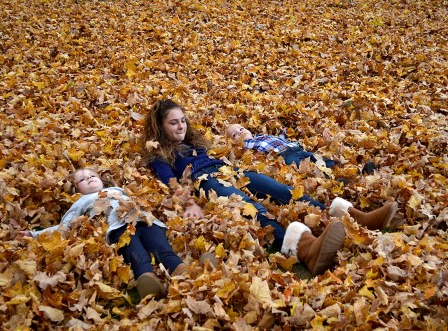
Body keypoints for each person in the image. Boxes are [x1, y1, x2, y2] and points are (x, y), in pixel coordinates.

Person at [143, 99, 398, 275]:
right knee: (250, 207)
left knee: (281, 192)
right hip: (205, 182)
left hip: (230, 171)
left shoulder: (195, 143)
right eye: (174, 123)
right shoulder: (160, 154)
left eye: (183, 120)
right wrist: (188, 203)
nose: (181, 126)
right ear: (160, 127)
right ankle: (304, 249)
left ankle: (353, 217)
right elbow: (171, 180)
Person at [17, 168, 216, 300]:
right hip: (117, 229)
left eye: (91, 175)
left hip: (144, 221)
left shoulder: (118, 190)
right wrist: (34, 235)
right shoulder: (80, 202)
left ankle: (188, 271)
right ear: (77, 188)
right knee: (134, 252)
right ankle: (147, 280)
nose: (88, 179)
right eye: (82, 180)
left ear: (101, 179)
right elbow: (64, 226)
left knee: (162, 249)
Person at [225, 123, 378, 175]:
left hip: (294, 147)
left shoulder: (260, 136)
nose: (240, 133)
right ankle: (332, 178)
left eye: (241, 128)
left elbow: (279, 139)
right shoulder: (246, 146)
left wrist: (283, 134)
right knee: (299, 165)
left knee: (319, 160)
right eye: (234, 135)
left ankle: (355, 171)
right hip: (284, 155)